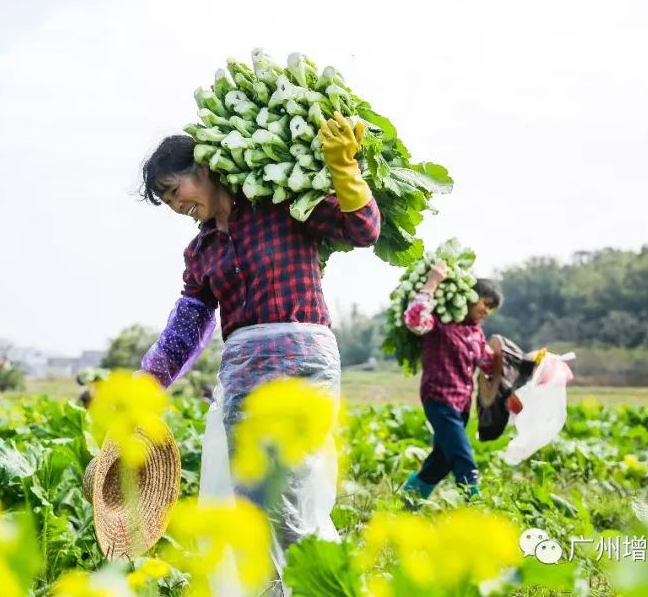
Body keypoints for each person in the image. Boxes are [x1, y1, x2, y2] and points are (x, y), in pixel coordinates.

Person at [138, 113, 380, 595]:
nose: (174, 204)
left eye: (173, 189)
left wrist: (344, 168)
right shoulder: (200, 252)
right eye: (164, 200)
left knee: (288, 495)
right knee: (250, 504)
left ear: (203, 167)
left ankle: (320, 587)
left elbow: (363, 227)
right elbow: (186, 329)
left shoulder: (279, 204)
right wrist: (144, 384)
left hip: (302, 362)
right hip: (243, 374)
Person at [399, 259, 503, 502]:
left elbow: (489, 363)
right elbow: (414, 320)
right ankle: (475, 506)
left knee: (441, 462)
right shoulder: (441, 321)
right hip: (439, 399)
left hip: (462, 406)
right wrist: (433, 282)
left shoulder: (475, 332)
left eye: (491, 308)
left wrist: (529, 362)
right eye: (484, 302)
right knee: (462, 457)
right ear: (468, 296)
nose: (486, 311)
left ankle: (405, 503)